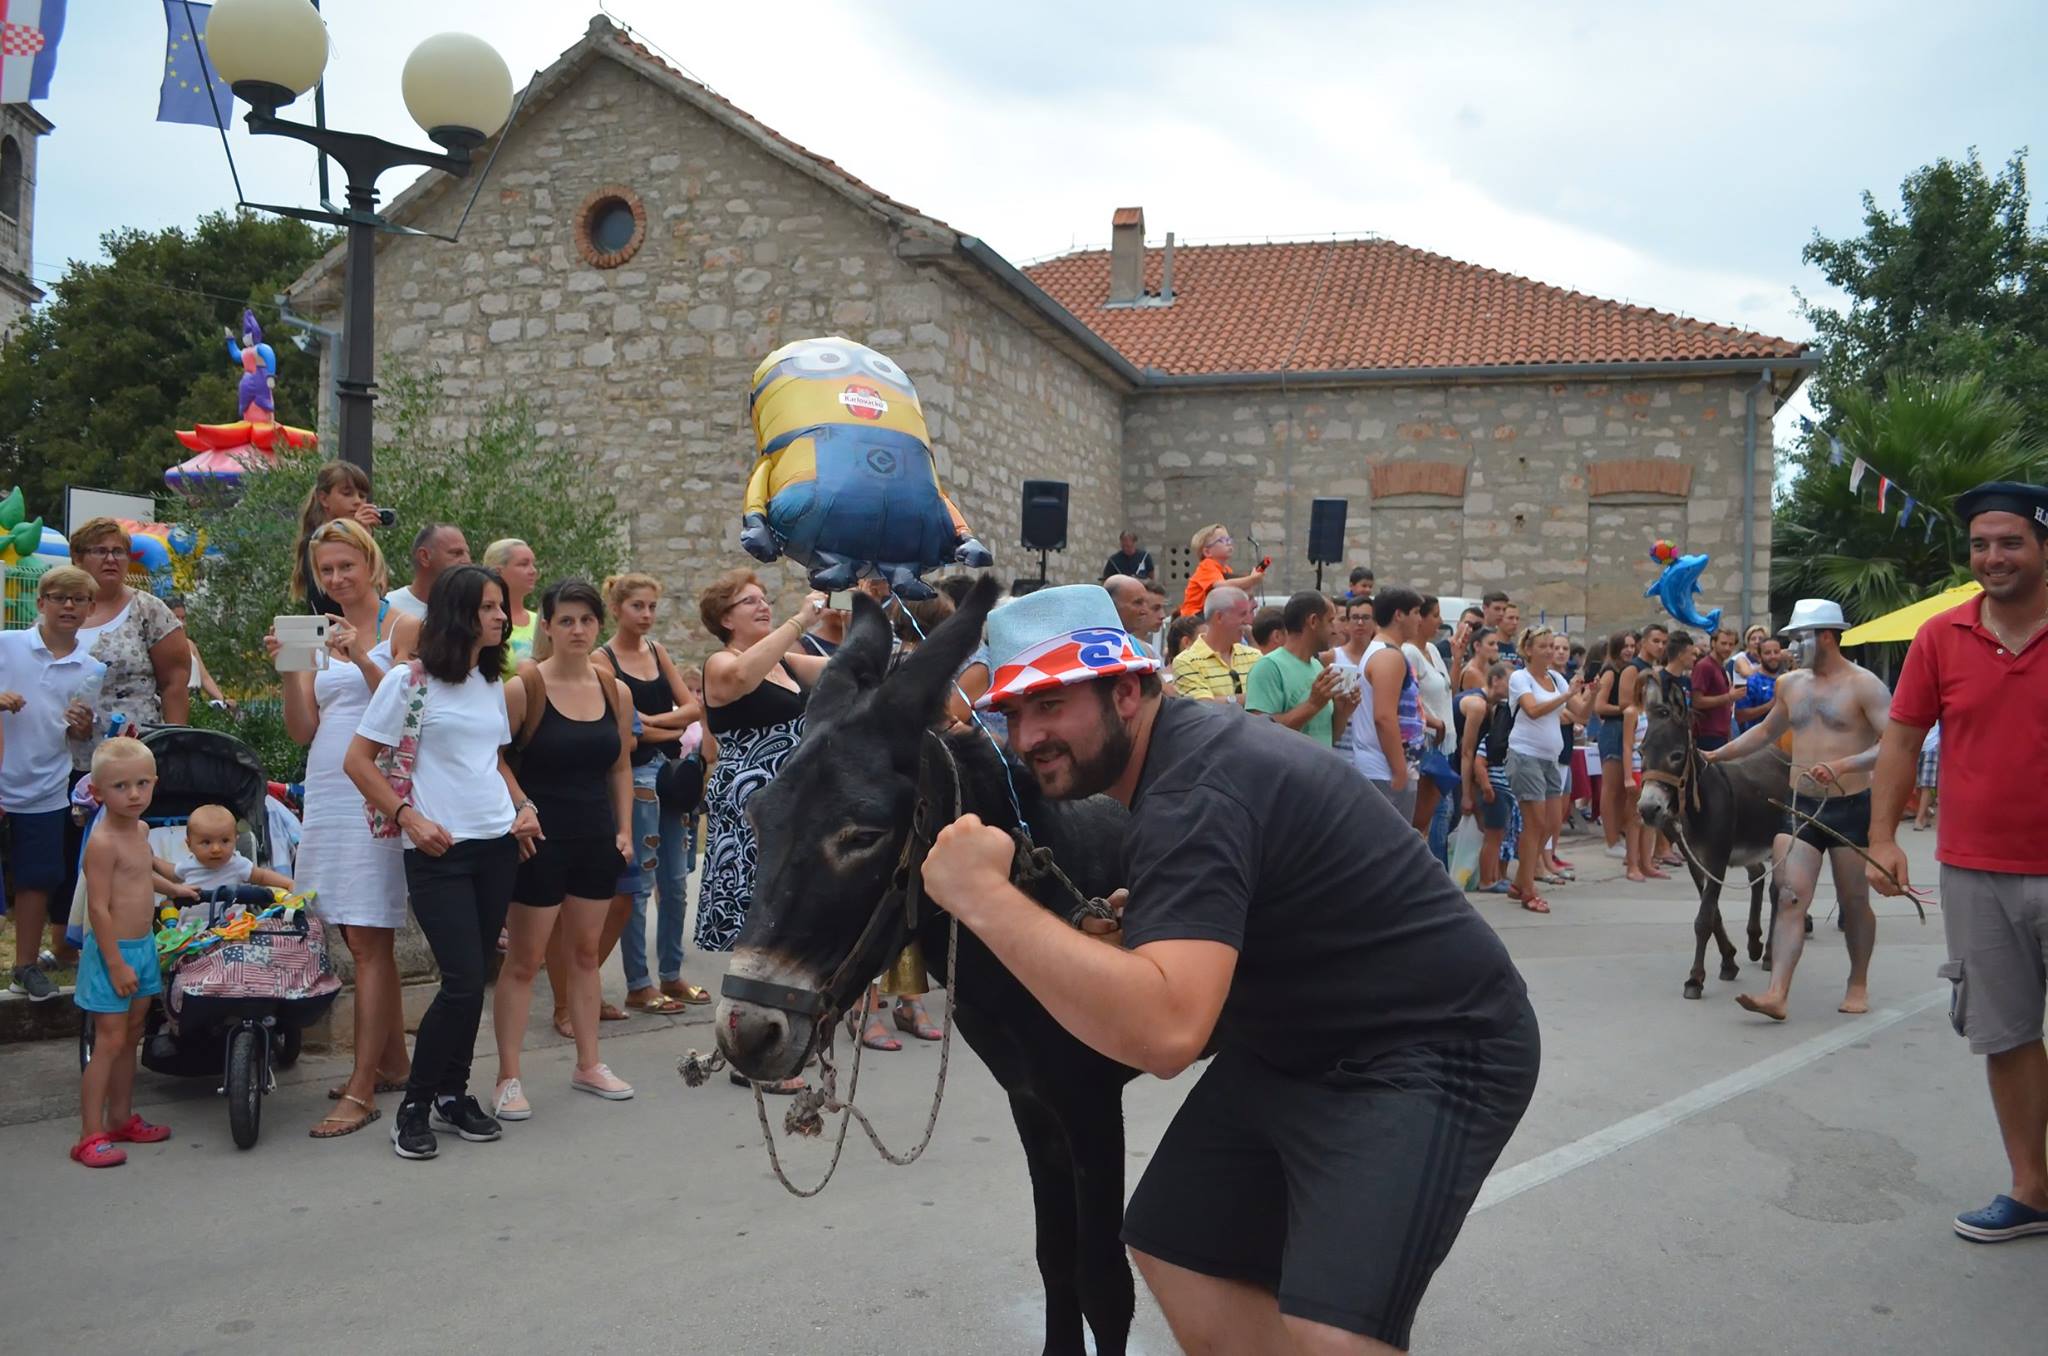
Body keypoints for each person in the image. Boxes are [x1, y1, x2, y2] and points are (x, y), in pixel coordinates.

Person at [921, 584, 1540, 1355]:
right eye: (1013, 714)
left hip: (1433, 1044)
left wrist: (983, 896)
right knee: (1177, 1248)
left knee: (1334, 1334)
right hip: (1299, 1039)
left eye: (1050, 705)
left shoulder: (1193, 788)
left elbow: (1167, 1032)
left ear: (1124, 691)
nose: (1026, 736)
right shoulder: (1177, 763)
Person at [1866, 479, 2048, 1244]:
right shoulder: (1941, 636)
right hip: (1975, 870)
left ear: (2043, 546)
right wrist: (1881, 838)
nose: (1993, 556)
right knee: (2004, 1034)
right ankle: (2032, 1191)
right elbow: (1903, 741)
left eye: (2011, 542)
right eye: (1980, 543)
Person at [346, 563, 543, 1160]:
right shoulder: (409, 682)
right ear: (460, 612)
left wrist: (524, 806)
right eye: (489, 607)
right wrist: (409, 818)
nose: (502, 617)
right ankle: (414, 1105)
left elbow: (494, 762)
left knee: (473, 979)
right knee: (459, 982)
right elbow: (358, 762)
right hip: (439, 850)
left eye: (501, 607)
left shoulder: (489, 681)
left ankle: (453, 1097)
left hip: (498, 845)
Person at [270, 518, 410, 1139]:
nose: (335, 579)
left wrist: (358, 655)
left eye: (345, 566)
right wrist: (291, 670)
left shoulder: (401, 624)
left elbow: (411, 712)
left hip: (376, 785)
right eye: (325, 570)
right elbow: (302, 729)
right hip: (326, 785)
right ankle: (394, 1063)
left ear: (371, 564)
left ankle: (361, 1089)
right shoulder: (311, 631)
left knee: (368, 936)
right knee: (352, 929)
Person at [1706, 598, 1892, 1022]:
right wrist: (1717, 756)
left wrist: (1846, 763)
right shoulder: (1790, 684)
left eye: (1799, 637)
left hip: (1850, 807)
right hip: (1799, 806)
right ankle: (1777, 993)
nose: (1792, 647)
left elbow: (1894, 744)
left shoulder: (1864, 685)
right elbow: (1766, 732)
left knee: (1854, 900)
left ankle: (1857, 981)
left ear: (1826, 636)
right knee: (1789, 896)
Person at [493, 580, 638, 1119]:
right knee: (526, 961)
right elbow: (495, 758)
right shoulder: (523, 687)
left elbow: (619, 764)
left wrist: (623, 828)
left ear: (598, 625)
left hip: (595, 837)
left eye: (586, 620)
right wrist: (521, 807)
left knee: (584, 955)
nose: (578, 630)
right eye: (567, 620)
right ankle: (509, 1077)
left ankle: (589, 1063)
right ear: (547, 626)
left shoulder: (613, 690)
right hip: (539, 842)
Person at [697, 571, 829, 1092]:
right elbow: (742, 679)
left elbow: (854, 667)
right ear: (724, 619)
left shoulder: (786, 662)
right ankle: (751, 1053)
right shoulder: (722, 663)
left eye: (763, 599)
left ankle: (767, 1040)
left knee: (783, 919)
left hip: (791, 806)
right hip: (749, 806)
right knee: (758, 927)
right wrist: (802, 619)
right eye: (747, 601)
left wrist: (872, 613)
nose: (761, 605)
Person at [591, 573, 708, 1015]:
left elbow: (696, 706)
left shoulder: (657, 652)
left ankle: (672, 975)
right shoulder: (604, 661)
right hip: (634, 776)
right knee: (637, 884)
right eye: (637, 606)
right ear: (617, 609)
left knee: (675, 884)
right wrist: (667, 723)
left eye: (651, 607)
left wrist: (652, 723)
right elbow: (626, 730)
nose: (646, 615)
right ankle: (638, 982)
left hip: (670, 775)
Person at [0, 566, 103, 1000]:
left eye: (78, 600)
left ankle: (25, 965)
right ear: (40, 603)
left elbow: (81, 733)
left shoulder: (92, 667)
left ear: (89, 609)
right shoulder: (7, 645)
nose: (68, 606)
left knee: (37, 879)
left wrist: (83, 727)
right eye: (59, 597)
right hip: (2, 777)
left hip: (46, 785)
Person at [71, 738, 175, 1167]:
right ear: (97, 792)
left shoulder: (141, 830)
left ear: (154, 783)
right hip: (111, 954)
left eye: (142, 783)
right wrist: (114, 963)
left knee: (131, 1038)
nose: (133, 794)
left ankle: (120, 1118)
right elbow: (97, 906)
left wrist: (176, 889)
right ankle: (89, 1134)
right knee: (109, 1043)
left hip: (143, 948)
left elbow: (142, 877)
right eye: (120, 787)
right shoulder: (101, 843)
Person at [69, 518, 190, 728]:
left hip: (131, 750)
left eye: (119, 551)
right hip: (63, 751)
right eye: (100, 551)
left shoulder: (149, 610)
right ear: (78, 558)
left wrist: (175, 743)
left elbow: (175, 683)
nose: (111, 559)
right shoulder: (60, 607)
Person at [1507, 627, 1591, 914]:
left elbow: (1580, 714)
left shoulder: (1555, 678)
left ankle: (1520, 880)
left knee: (1551, 823)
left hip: (1550, 758)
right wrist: (1566, 694)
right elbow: (1532, 710)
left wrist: (1590, 694)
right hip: (1525, 755)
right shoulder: (1520, 678)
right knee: (1535, 823)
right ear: (1528, 650)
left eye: (1552, 646)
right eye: (1543, 646)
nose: (1550, 651)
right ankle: (1529, 889)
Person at [1244, 591, 1355, 748]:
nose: (1335, 630)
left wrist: (1343, 711)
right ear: (1313, 621)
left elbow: (1329, 737)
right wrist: (1312, 705)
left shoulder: (1317, 666)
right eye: (1330, 621)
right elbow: (1260, 734)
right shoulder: (1268, 667)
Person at [1357, 587, 1429, 819]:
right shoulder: (1388, 656)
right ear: (1399, 615)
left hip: (1386, 768)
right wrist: (1399, 771)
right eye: (1417, 612)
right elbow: (1384, 717)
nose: (1420, 619)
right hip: (1384, 769)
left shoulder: (1386, 652)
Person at [289, 460, 388, 616]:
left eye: (362, 496)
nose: (357, 501)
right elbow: (333, 598)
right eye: (347, 494)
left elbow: (378, 588)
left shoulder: (361, 535)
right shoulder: (317, 542)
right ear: (324, 499)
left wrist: (363, 538)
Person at [1404, 596, 1457, 860]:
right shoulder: (1409, 652)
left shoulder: (1433, 650)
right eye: (1434, 615)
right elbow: (1410, 695)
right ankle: (1435, 870)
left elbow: (1448, 690)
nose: (1440, 621)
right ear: (1421, 618)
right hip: (1426, 739)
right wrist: (1432, 721)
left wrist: (1457, 659)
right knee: (1436, 809)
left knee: (1444, 808)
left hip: (1443, 741)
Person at [1459, 661, 1515, 894]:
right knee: (1492, 836)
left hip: (1502, 791)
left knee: (1496, 834)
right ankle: (1486, 880)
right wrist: (1485, 786)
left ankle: (1493, 876)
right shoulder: (1488, 738)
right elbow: (1477, 762)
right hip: (1495, 791)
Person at [172, 804, 295, 892]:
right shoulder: (188, 865)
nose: (216, 849)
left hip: (233, 925)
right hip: (192, 926)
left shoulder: (237, 864)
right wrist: (154, 862)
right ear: (189, 845)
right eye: (206, 842)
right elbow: (171, 872)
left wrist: (288, 883)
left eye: (225, 841)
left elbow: (262, 876)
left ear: (235, 841)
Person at [1171, 585, 1259, 703]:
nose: (1249, 621)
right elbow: (1203, 707)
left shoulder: (1255, 656)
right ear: (1219, 617)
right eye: (1242, 614)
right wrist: (1244, 699)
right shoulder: (1186, 662)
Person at [1593, 631, 1637, 859]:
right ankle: (1610, 840)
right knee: (1611, 788)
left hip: (1625, 728)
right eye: (1625, 646)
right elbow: (1599, 707)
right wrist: (1625, 709)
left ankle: (1618, 836)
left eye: (1632, 645)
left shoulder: (1626, 671)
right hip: (1613, 729)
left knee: (1621, 789)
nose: (1629, 650)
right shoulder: (1610, 673)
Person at [384, 522, 471, 623]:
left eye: (467, 554)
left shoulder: (471, 609)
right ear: (424, 557)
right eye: (456, 553)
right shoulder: (387, 608)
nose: (467, 561)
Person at [1178, 524, 1265, 618]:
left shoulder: (1226, 569)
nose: (1228, 543)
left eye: (1229, 539)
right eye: (1222, 540)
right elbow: (1222, 587)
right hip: (1193, 616)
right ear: (1207, 552)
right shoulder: (1207, 565)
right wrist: (1251, 579)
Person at [163, 594, 230, 711]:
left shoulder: (189, 645)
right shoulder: (159, 647)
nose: (181, 623)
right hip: (174, 700)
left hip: (194, 698)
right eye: (176, 618)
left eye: (183, 618)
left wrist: (223, 701)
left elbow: (205, 678)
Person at [483, 539, 541, 671]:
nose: (533, 571)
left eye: (533, 564)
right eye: (523, 564)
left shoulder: (540, 621)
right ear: (497, 572)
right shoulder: (484, 620)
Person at [1690, 627, 1739, 752]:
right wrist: (1729, 697)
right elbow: (1697, 701)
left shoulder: (1720, 666)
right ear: (1713, 643)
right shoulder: (1704, 666)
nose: (1727, 648)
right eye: (1723, 643)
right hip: (1707, 734)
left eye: (1731, 644)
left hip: (1720, 733)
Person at [1105, 573, 1165, 660]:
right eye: (1138, 603)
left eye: (1146, 603)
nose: (1145, 610)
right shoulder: (1093, 649)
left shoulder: (1145, 650)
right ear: (1112, 604)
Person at [1734, 635, 1784, 732]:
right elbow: (1740, 716)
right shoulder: (1752, 682)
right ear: (1760, 657)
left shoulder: (1786, 679)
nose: (1773, 656)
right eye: (1767, 653)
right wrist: (1770, 705)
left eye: (1776, 652)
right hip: (1759, 742)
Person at [1913, 723, 1941, 831]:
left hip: (1932, 747)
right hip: (1917, 745)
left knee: (1927, 783)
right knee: (1915, 784)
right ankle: (1926, 813)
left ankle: (1919, 819)